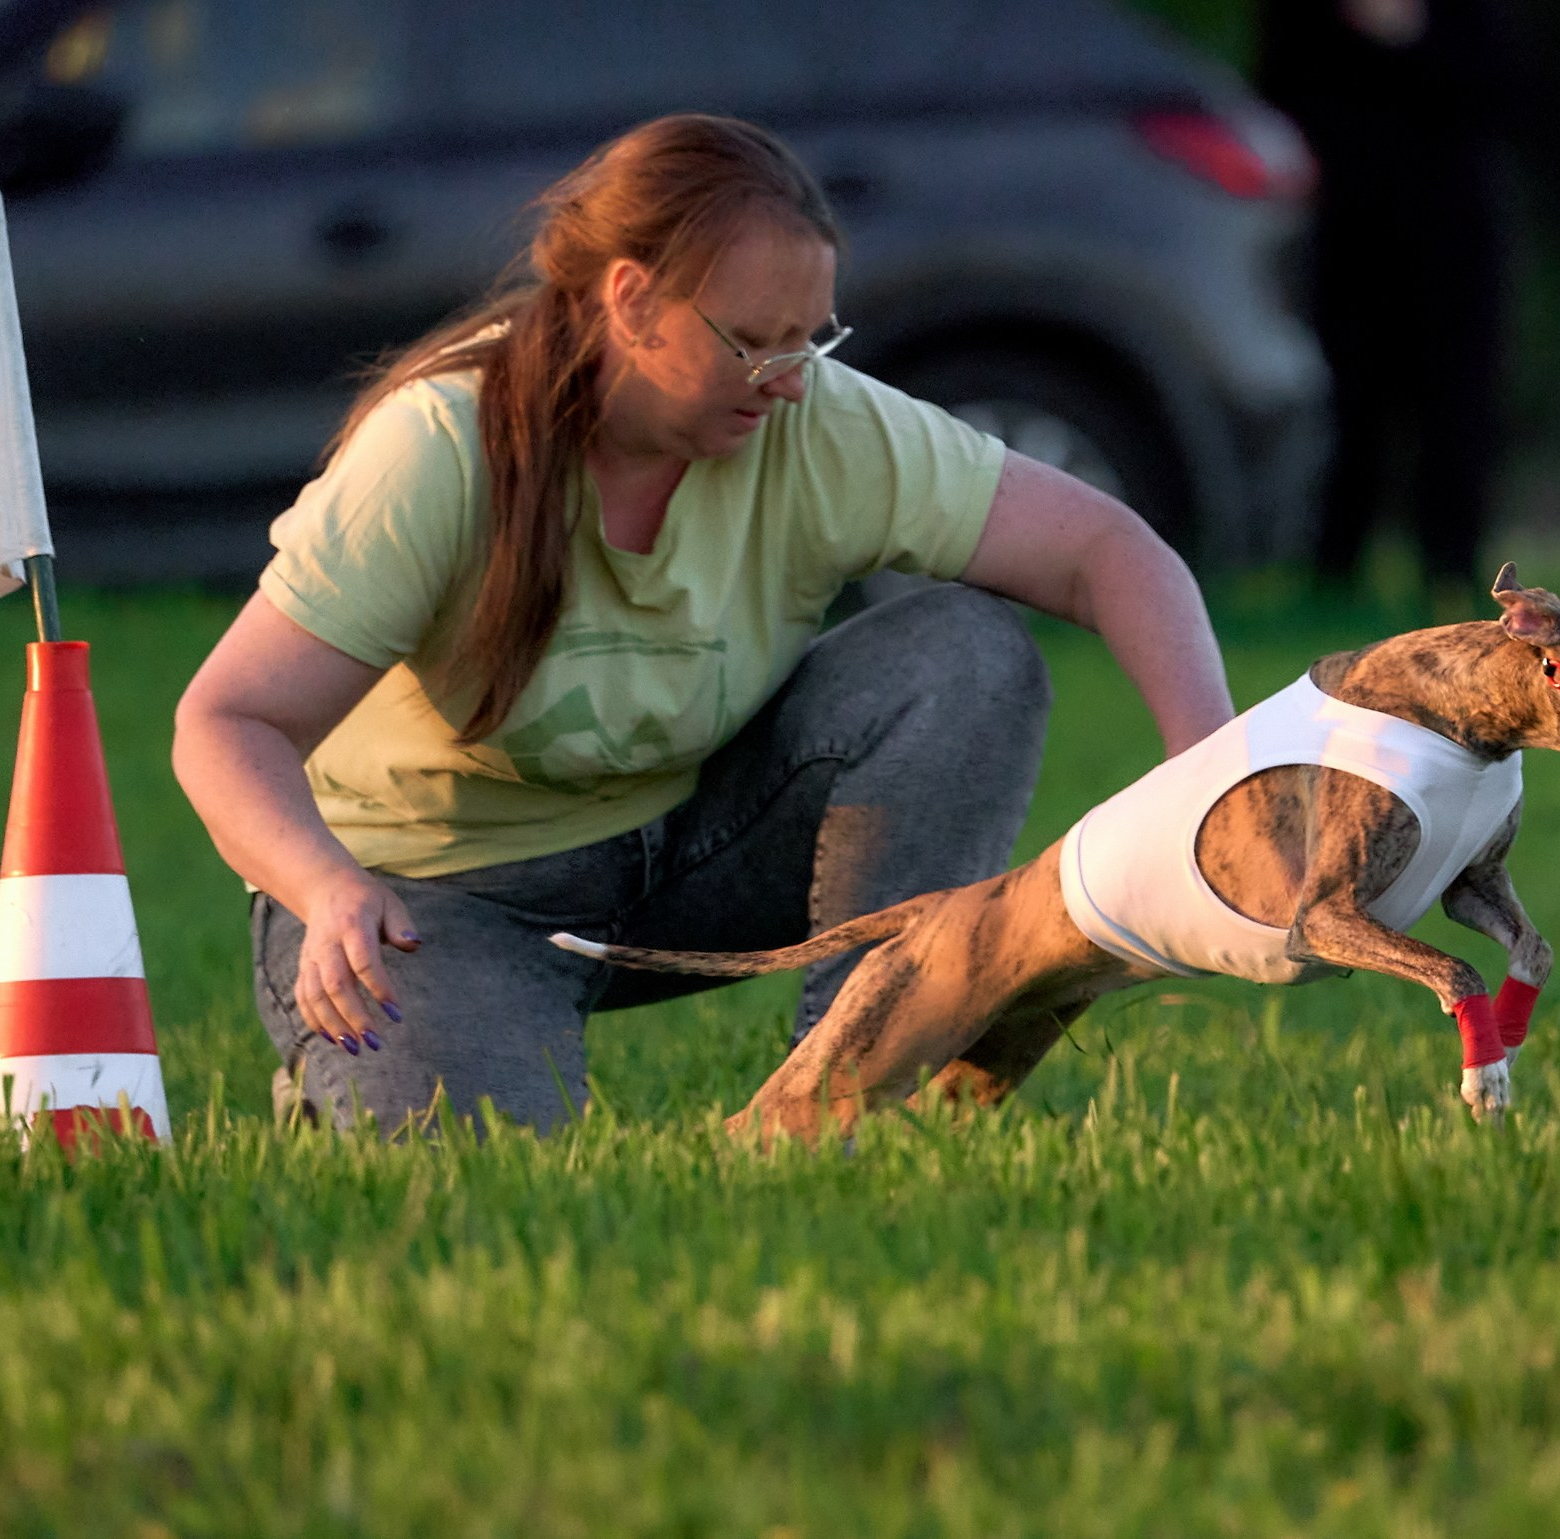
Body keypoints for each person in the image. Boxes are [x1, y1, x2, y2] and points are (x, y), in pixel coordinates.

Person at [172, 116, 1233, 1135]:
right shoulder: (442, 446)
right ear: (631, 301)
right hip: (430, 901)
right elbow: (227, 721)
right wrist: (324, 888)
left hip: (690, 848)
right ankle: (351, 1080)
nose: (785, 379)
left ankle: (841, 1095)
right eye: (751, 342)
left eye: (809, 338)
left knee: (966, 650)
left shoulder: (811, 412)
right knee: (500, 1193)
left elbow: (1109, 552)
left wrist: (1209, 783)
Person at [1258, 0, 1514, 612]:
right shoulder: (1304, 22)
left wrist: (1405, 32)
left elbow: (1503, 94)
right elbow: (1276, 107)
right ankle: (1334, 573)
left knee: (1456, 411)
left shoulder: (1468, 22)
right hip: (1347, 236)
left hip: (1453, 237)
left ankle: (1453, 574)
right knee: (1349, 408)